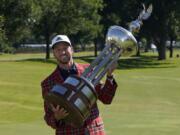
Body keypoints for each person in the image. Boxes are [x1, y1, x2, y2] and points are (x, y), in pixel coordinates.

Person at [41, 35, 118, 135]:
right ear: (54, 53)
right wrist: (56, 117)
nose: (62, 52)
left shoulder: (89, 70)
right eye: (58, 50)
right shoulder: (48, 83)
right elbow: (48, 117)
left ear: (72, 50)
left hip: (94, 131)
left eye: (65, 48)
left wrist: (109, 76)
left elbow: (106, 99)